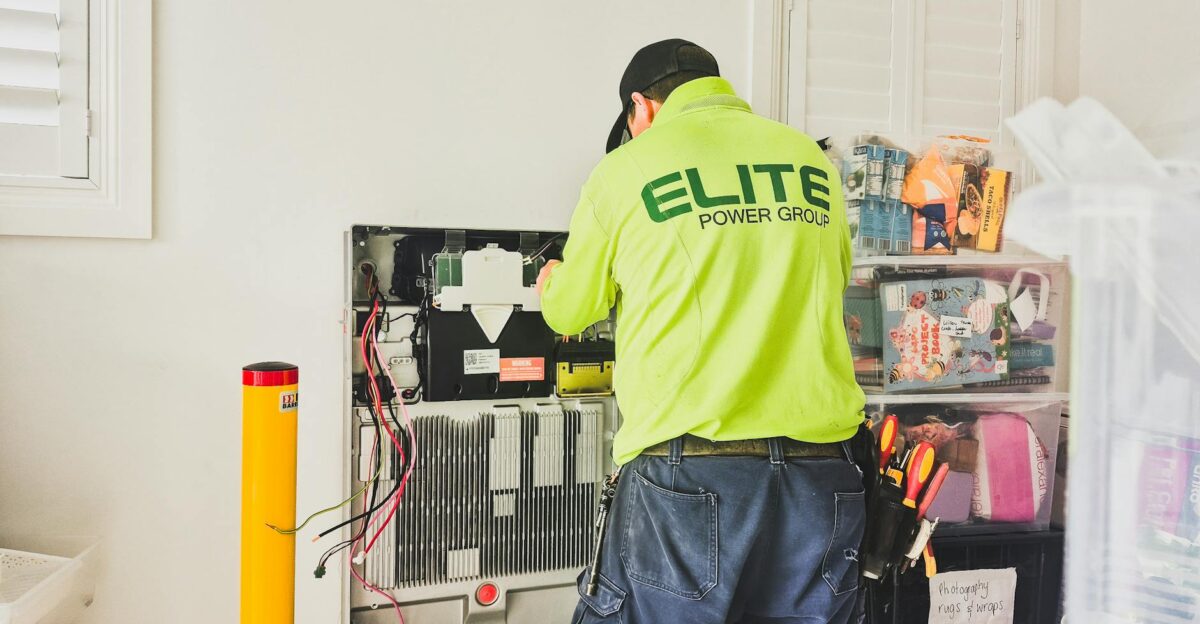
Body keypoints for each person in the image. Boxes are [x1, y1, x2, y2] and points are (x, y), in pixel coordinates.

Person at [537, 39, 868, 624]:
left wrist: (552, 280)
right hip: (825, 473)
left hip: (689, 474)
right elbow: (834, 277)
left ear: (642, 107)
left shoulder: (625, 170)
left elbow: (570, 313)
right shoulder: (810, 162)